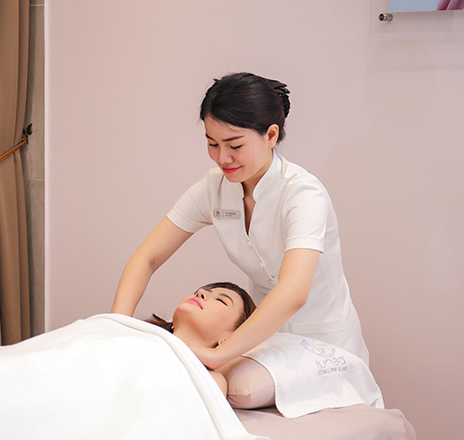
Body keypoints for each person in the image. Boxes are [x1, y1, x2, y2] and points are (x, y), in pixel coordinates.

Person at [112, 72, 369, 371]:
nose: (223, 158)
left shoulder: (302, 194)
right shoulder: (214, 189)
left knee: (239, 386)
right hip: (262, 342)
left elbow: (294, 291)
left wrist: (218, 355)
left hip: (325, 344)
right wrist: (116, 328)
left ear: (270, 136)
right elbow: (147, 258)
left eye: (234, 146)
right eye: (212, 144)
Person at [146, 281, 257, 396]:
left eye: (221, 300)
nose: (200, 292)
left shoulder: (210, 380)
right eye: (196, 292)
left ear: (228, 339)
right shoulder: (142, 333)